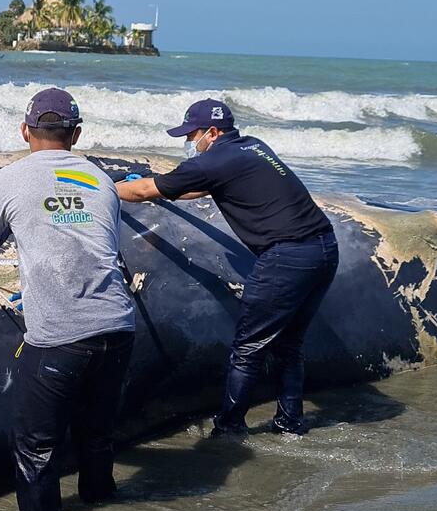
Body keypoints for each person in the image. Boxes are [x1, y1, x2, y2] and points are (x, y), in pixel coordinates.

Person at [115, 98, 338, 436]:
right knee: (288, 343)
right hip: (323, 247)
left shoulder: (213, 161)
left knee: (248, 347)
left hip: (287, 257)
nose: (191, 143)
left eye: (193, 136)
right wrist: (168, 190)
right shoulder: (252, 147)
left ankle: (230, 426)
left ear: (213, 132)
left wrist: (103, 188)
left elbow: (146, 189)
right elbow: (201, 186)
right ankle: (290, 422)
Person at [0, 88, 136, 511]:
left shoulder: (6, 179)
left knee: (36, 446)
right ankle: (102, 507)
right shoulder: (101, 180)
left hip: (60, 335)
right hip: (118, 326)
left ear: (24, 131)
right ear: (75, 134)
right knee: (97, 433)